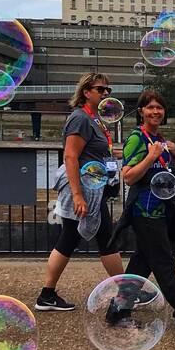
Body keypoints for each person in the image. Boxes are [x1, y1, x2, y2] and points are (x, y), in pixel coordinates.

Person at [108, 91, 175, 329]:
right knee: (164, 263)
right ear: (142, 111)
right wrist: (151, 155)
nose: (156, 111)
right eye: (151, 107)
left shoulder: (159, 138)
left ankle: (117, 311)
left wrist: (173, 157)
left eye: (160, 108)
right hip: (144, 213)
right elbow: (129, 177)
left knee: (141, 264)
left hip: (161, 212)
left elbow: (162, 176)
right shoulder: (137, 138)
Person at [35, 72, 124, 311]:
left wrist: (114, 156)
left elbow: (90, 153)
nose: (106, 93)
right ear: (86, 92)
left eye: (108, 90)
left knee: (72, 237)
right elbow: (71, 156)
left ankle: (47, 294)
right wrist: (77, 195)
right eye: (100, 89)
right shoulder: (80, 119)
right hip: (84, 188)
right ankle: (126, 292)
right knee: (103, 238)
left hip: (94, 187)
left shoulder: (95, 120)